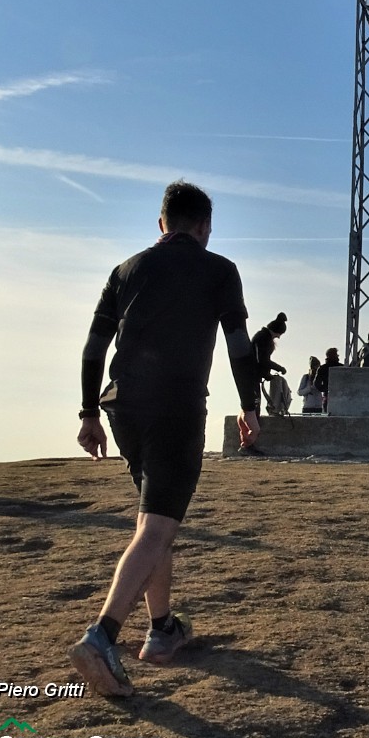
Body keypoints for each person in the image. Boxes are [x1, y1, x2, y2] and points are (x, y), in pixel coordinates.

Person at [70, 180, 262, 698]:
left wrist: (89, 412)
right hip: (176, 408)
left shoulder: (125, 270)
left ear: (161, 224)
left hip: (122, 406)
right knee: (156, 527)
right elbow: (240, 346)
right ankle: (102, 637)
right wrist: (250, 406)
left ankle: (162, 631)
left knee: (152, 521)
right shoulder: (220, 270)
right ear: (204, 228)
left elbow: (93, 348)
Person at [251, 313, 288, 385]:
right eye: (279, 334)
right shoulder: (264, 339)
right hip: (253, 374)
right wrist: (280, 368)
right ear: (276, 331)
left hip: (254, 374)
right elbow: (263, 360)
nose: (278, 337)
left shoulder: (262, 336)